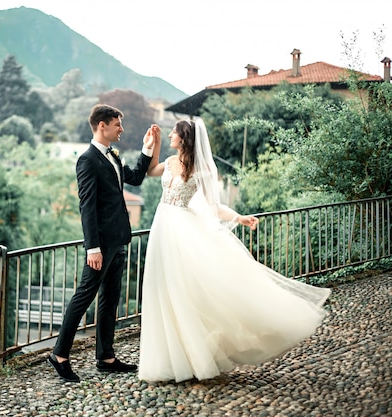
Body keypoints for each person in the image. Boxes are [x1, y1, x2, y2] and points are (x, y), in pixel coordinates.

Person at [138, 117, 331, 383]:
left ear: (184, 138)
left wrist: (239, 217)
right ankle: (172, 358)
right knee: (164, 290)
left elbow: (213, 205)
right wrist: (155, 144)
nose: (170, 134)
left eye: (173, 133)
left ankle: (194, 355)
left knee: (185, 291)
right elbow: (149, 171)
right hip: (163, 228)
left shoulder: (202, 169)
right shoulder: (170, 163)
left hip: (181, 231)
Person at [48, 104, 160, 382]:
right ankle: (59, 354)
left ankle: (106, 357)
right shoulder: (87, 160)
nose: (121, 129)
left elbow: (133, 178)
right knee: (83, 296)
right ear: (102, 125)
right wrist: (92, 248)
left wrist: (147, 149)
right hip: (102, 245)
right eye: (117, 124)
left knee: (110, 300)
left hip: (119, 239)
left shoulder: (112, 155)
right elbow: (87, 206)